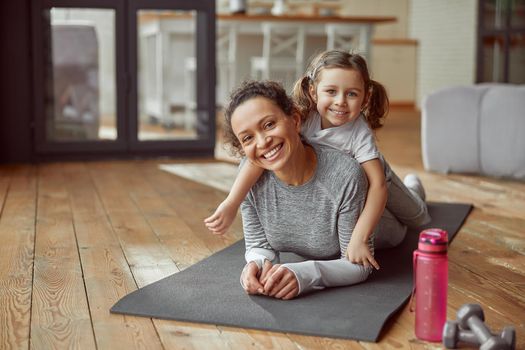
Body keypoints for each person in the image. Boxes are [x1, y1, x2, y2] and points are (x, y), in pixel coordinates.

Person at [205, 50, 430, 270]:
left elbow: (379, 186)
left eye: (351, 94)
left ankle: (414, 188)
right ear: (313, 92)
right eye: (331, 91)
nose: (340, 101)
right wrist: (231, 203)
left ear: (365, 97)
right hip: (349, 185)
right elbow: (257, 158)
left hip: (378, 180)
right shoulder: (303, 118)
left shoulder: (359, 134)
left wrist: (360, 238)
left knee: (418, 218)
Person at [222, 80, 408, 299]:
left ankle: (412, 186)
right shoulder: (247, 183)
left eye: (269, 124)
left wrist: (306, 274)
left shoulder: (345, 175)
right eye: (248, 138)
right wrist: (256, 265)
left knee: (415, 209)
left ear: (295, 119)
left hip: (386, 221)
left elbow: (359, 265)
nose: (262, 142)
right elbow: (258, 245)